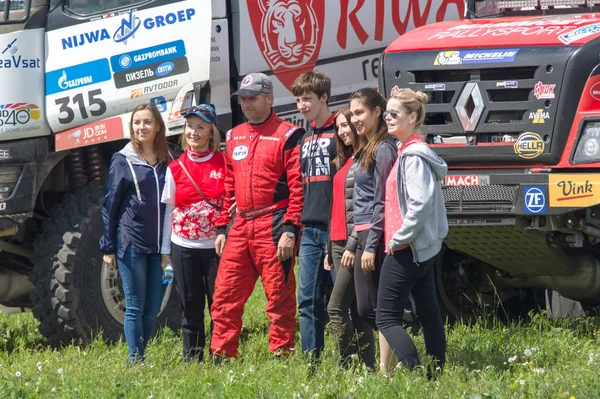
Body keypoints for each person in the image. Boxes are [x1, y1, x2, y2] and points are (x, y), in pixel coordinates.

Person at [210, 72, 305, 360]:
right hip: (240, 224)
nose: (247, 104)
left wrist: (291, 228)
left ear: (269, 99)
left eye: (252, 98)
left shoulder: (289, 134)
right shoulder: (233, 135)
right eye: (243, 99)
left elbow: (298, 187)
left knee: (279, 295)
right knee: (225, 294)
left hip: (274, 223)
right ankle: (222, 355)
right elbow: (228, 187)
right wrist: (222, 228)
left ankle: (282, 354)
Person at [376, 89, 448, 376]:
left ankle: (415, 372)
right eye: (386, 114)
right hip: (421, 248)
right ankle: (436, 375)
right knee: (428, 313)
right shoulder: (408, 151)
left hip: (408, 248)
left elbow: (419, 204)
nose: (388, 118)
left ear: (413, 117)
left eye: (394, 114)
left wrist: (399, 238)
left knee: (385, 317)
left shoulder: (413, 156)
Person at [100, 103, 170, 362]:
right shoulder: (123, 159)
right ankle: (136, 360)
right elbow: (110, 205)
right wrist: (107, 246)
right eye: (137, 122)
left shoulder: (167, 160)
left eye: (147, 122)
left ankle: (142, 353)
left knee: (153, 309)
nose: (142, 127)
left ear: (158, 126)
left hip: (159, 246)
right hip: (131, 244)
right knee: (135, 306)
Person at [160, 104, 226, 362]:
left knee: (219, 306)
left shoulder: (224, 163)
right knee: (190, 306)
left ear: (211, 132)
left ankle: (221, 354)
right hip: (183, 247)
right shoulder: (175, 168)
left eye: (201, 127)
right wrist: (166, 252)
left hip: (217, 248)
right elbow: (169, 212)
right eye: (190, 127)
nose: (194, 132)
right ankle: (193, 358)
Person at [349, 88, 398, 372]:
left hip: (376, 234)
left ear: (377, 112)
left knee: (378, 306)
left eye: (360, 113)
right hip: (363, 231)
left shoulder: (383, 149)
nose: (355, 119)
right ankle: (391, 361)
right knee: (366, 307)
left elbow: (383, 200)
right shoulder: (366, 147)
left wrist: (369, 245)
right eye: (352, 113)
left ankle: (386, 370)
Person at [325, 107, 375, 369]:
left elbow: (364, 208)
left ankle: (345, 367)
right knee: (355, 309)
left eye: (346, 125)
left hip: (352, 243)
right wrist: (327, 248)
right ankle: (367, 366)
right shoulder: (343, 161)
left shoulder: (366, 159)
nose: (343, 131)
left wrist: (353, 245)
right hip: (336, 242)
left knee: (336, 308)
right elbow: (336, 207)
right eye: (339, 127)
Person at [292, 71, 337, 359]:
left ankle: (355, 357)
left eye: (307, 98)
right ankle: (312, 362)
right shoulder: (305, 136)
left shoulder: (340, 134)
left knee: (343, 301)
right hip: (309, 229)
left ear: (324, 98)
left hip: (336, 228)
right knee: (307, 300)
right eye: (297, 99)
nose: (301, 104)